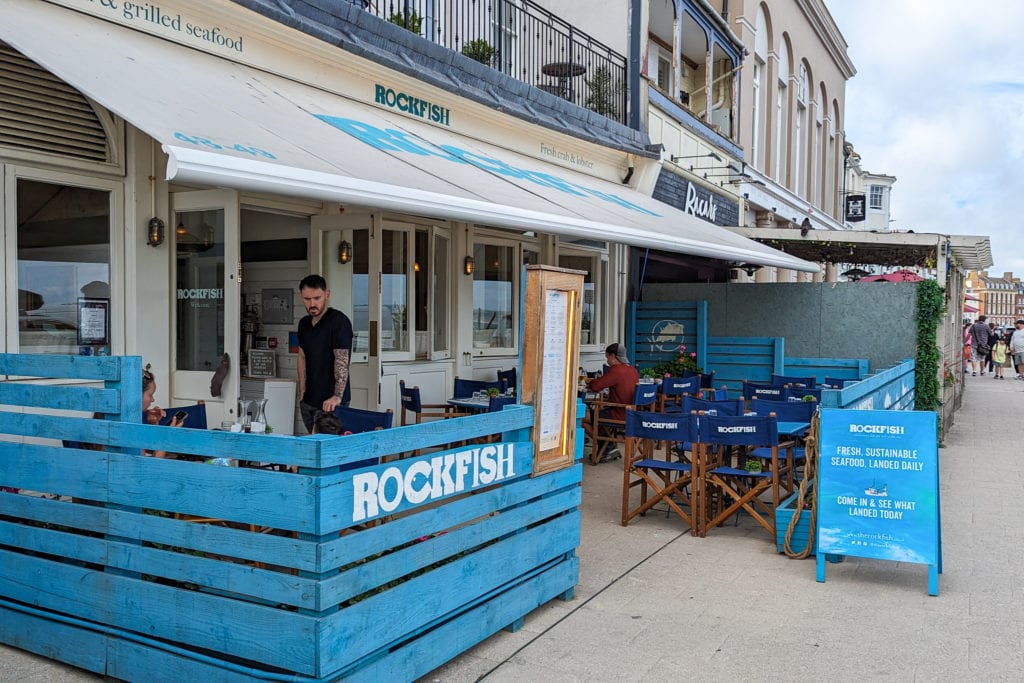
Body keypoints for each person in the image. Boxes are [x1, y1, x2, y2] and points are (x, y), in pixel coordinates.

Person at [297, 274, 354, 433]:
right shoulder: (303, 324)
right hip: (308, 400)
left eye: (317, 298)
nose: (312, 303)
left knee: (329, 449)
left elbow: (342, 360)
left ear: (327, 295)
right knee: (312, 443)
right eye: (307, 299)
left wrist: (337, 396)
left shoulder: (338, 322)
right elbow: (301, 356)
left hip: (331, 402)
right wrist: (302, 391)